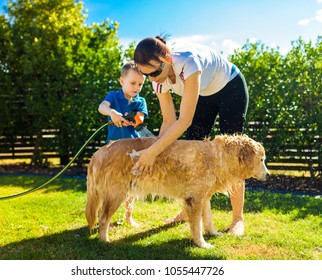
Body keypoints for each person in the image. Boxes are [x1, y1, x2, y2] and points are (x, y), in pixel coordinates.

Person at [133, 36, 249, 235]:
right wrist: (155, 152)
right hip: (203, 94)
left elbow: (184, 120)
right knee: (193, 152)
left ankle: (238, 218)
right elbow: (169, 122)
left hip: (230, 87)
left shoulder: (189, 62)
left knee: (233, 154)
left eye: (155, 73)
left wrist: (152, 152)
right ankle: (188, 210)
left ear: (167, 60)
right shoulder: (157, 81)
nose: (152, 79)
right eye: (146, 75)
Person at [98, 60, 148, 227]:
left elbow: (140, 117)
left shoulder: (140, 101)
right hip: (113, 148)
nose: (136, 87)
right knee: (111, 183)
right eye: (133, 83)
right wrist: (112, 113)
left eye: (140, 84)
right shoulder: (113, 96)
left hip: (132, 149)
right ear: (122, 81)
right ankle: (104, 216)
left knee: (132, 183)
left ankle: (129, 215)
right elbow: (101, 107)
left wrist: (135, 121)